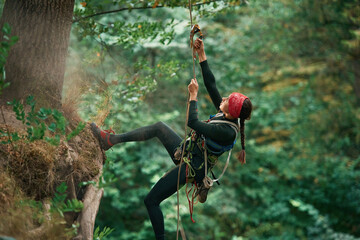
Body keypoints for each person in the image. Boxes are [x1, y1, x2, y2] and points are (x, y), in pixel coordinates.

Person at [90, 38, 252, 240]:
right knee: (159, 127)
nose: (225, 98)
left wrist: (193, 96)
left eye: (228, 100)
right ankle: (109, 140)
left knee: (151, 200)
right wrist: (202, 54)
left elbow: (192, 122)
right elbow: (211, 83)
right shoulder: (227, 114)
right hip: (187, 152)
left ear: (232, 112)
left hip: (192, 167)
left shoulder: (227, 131)